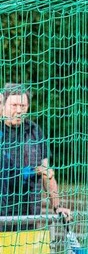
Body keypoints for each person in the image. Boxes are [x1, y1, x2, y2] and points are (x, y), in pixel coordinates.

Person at [0, 83, 70, 231]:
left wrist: (57, 207)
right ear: (3, 105)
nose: (19, 110)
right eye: (14, 105)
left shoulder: (34, 131)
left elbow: (47, 172)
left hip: (29, 216)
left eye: (23, 106)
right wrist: (35, 170)